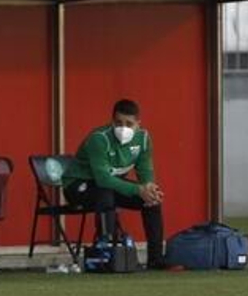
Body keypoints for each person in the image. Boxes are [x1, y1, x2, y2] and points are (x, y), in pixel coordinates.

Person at [61, 100, 169, 270]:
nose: (123, 128)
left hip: (110, 185)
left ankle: (156, 259)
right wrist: (137, 189)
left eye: (129, 124)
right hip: (77, 185)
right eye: (118, 123)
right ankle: (107, 253)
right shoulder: (99, 139)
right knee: (105, 194)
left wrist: (149, 189)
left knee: (152, 201)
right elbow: (103, 179)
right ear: (112, 122)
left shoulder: (143, 139)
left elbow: (145, 171)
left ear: (138, 125)